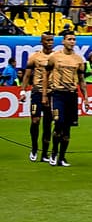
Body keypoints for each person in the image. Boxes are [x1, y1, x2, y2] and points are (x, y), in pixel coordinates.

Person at [46, 30, 88, 167]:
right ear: (63, 41)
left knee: (67, 128)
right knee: (59, 123)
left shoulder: (79, 59)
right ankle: (53, 152)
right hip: (58, 94)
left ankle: (62, 157)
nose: (72, 42)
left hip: (72, 95)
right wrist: (45, 94)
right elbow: (46, 75)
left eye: (74, 39)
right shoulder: (54, 57)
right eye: (69, 39)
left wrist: (86, 98)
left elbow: (82, 80)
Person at [20, 31, 55, 162]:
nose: (50, 43)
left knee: (48, 123)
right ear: (42, 42)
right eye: (47, 40)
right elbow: (27, 75)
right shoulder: (34, 57)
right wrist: (22, 91)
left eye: (51, 40)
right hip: (37, 92)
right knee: (35, 121)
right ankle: (34, 148)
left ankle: (45, 153)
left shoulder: (57, 57)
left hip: (52, 92)